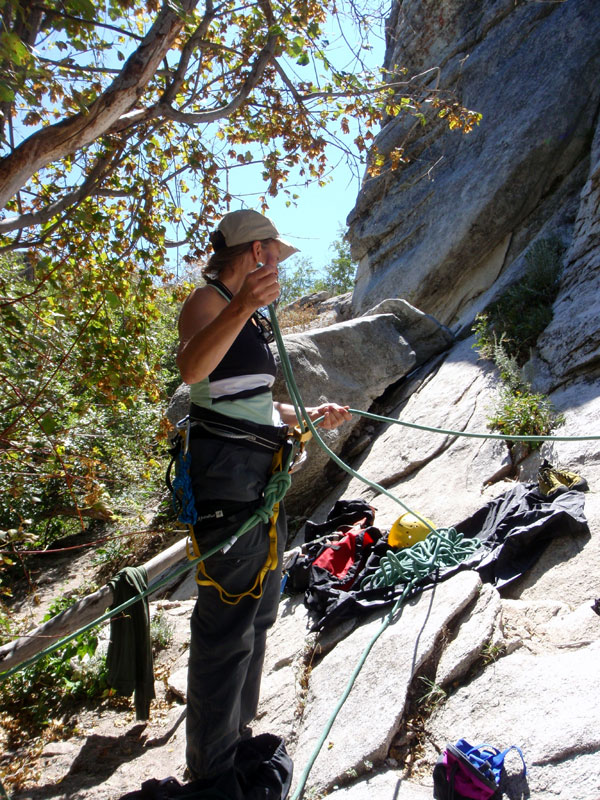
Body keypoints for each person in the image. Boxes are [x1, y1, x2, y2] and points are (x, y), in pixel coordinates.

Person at [176, 209, 351, 797]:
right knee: (226, 621)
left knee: (260, 612)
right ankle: (211, 768)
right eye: (270, 252)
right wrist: (242, 305)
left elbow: (246, 401)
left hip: (259, 475)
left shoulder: (248, 322)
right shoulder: (207, 303)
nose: (276, 263)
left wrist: (304, 415)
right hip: (227, 483)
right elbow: (192, 369)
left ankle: (235, 733)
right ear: (250, 253)